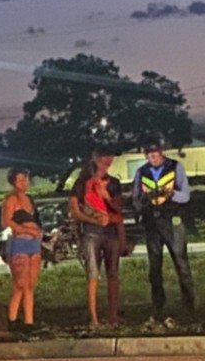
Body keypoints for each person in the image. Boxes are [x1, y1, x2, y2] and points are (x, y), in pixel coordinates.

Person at [131, 140, 196, 317]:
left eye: (156, 154)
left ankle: (189, 301)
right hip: (152, 221)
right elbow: (136, 197)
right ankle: (158, 302)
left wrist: (171, 194)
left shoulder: (175, 167)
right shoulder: (141, 171)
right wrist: (142, 206)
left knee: (180, 261)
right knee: (155, 264)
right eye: (149, 155)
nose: (153, 157)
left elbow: (186, 195)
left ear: (162, 152)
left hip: (171, 218)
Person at [68, 151, 128, 327]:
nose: (105, 164)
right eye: (102, 161)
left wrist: (105, 195)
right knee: (93, 275)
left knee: (113, 274)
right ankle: (94, 318)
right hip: (91, 232)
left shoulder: (113, 183)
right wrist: (94, 219)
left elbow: (118, 209)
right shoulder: (82, 184)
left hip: (111, 232)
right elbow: (74, 210)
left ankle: (113, 317)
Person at [1, 169, 42, 327]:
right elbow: (7, 222)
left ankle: (29, 321)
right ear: (13, 182)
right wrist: (27, 230)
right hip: (19, 242)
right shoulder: (11, 200)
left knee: (30, 285)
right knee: (20, 284)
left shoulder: (29, 199)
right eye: (20, 181)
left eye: (25, 180)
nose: (24, 183)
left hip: (34, 243)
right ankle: (12, 319)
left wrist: (37, 231)